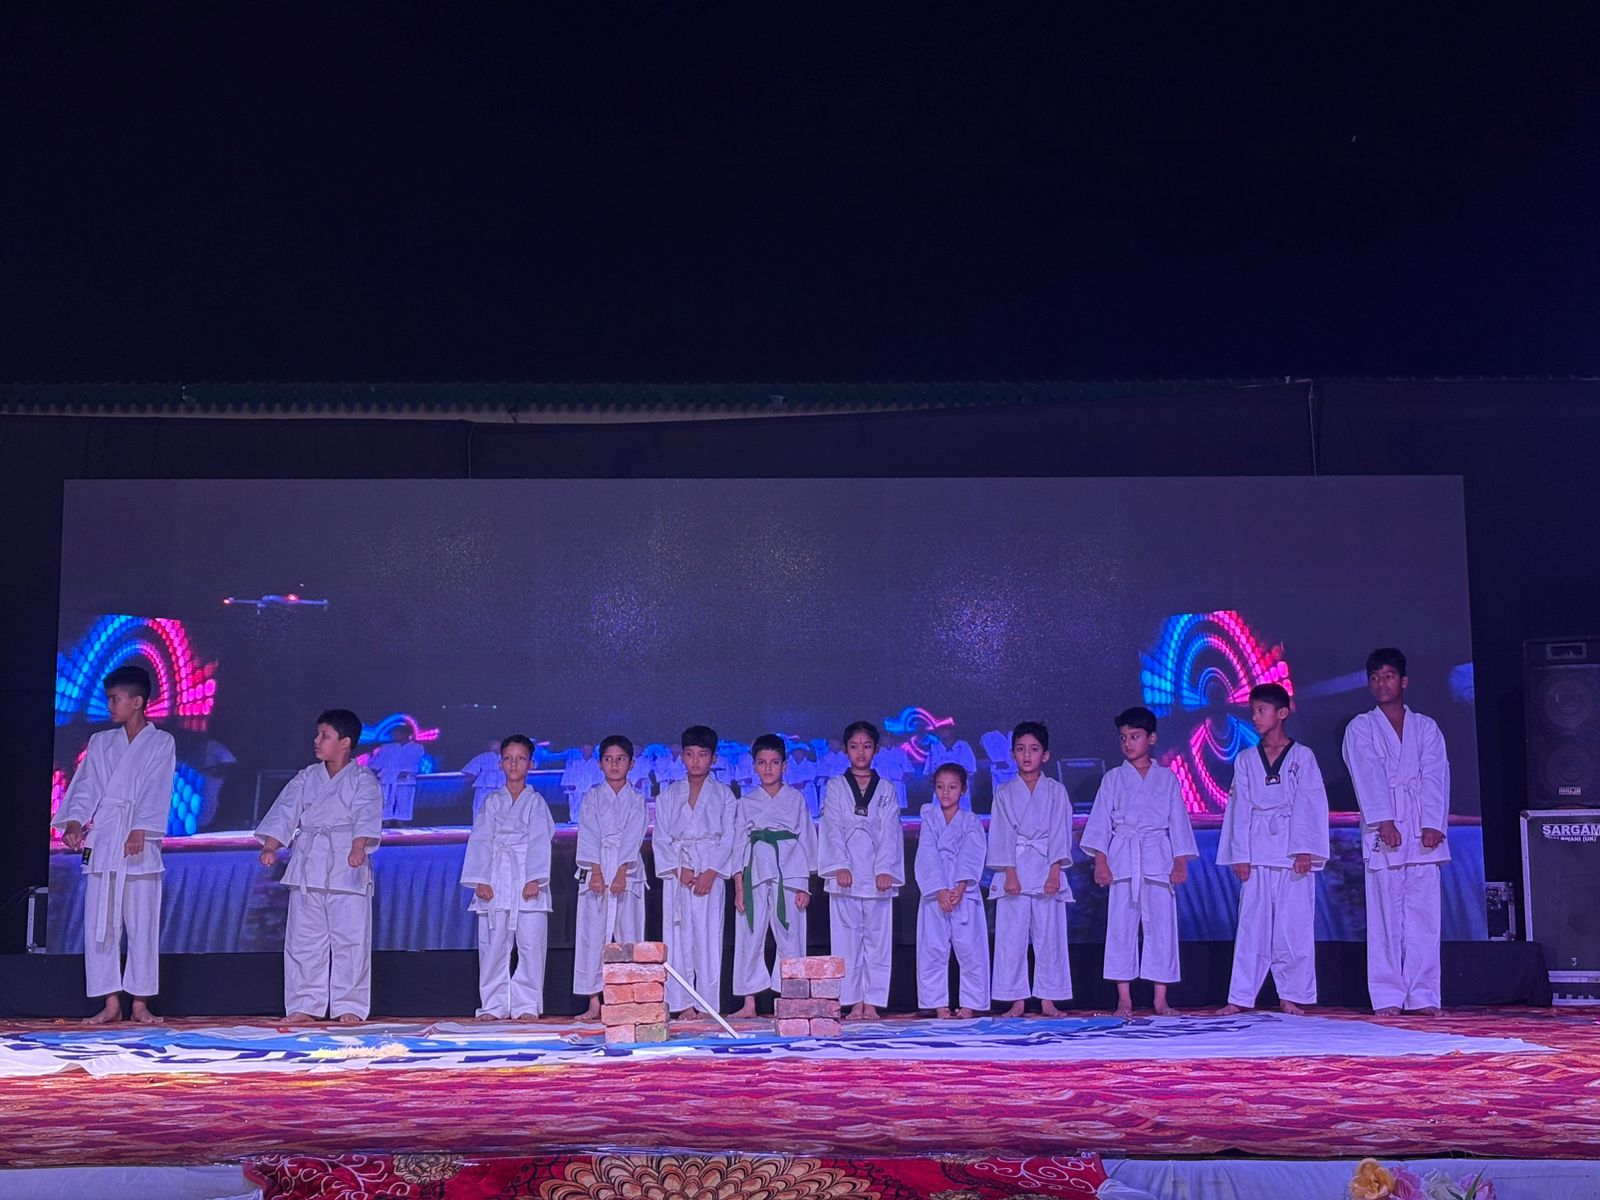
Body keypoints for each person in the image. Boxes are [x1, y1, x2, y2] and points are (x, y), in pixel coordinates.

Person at [54, 665, 176, 1024]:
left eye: (115, 699)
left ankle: (139, 1002)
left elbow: (157, 786)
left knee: (142, 925)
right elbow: (87, 785)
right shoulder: (101, 742)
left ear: (137, 702)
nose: (109, 706)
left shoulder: (161, 742)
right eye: (109, 699)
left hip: (139, 841)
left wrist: (141, 828)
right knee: (101, 925)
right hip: (106, 838)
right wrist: (75, 821)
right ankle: (110, 1002)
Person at [1342, 648, 1451, 1016]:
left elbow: (1436, 775)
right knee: (1385, 915)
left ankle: (1423, 995)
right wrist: (1384, 820)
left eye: (1387, 676)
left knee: (1424, 915)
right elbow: (1367, 775)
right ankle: (1387, 995)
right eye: (1374, 678)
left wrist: (1433, 822)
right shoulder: (1361, 727)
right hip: (1384, 823)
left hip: (1421, 822)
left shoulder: (1426, 727)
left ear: (1403, 681)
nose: (1380, 684)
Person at [256, 709, 383, 1024]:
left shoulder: (362, 779)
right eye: (318, 734)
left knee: (350, 939)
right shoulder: (307, 777)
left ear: (345, 742)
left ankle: (349, 1005)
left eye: (325, 735)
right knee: (304, 939)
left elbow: (366, 814)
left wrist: (358, 846)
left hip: (346, 864)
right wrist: (272, 844)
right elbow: (286, 810)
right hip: (309, 864)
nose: (317, 740)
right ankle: (304, 1004)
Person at [1218, 684, 1329, 1015]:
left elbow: (1311, 804)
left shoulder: (1302, 756)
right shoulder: (1245, 759)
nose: (1254, 717)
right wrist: (1241, 855)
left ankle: (1291, 995)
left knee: (1294, 926)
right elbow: (1239, 809)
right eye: (1252, 711)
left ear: (1282, 713)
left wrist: (1305, 849)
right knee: (1251, 927)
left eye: (1261, 710)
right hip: (1256, 850)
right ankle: (1240, 996)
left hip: (1292, 851)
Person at [1080, 706, 1197, 1017]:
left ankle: (1160, 998)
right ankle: (1124, 999)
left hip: (1158, 857)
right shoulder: (1113, 778)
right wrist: (1101, 861)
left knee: (1161, 927)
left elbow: (1178, 822)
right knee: (1121, 928)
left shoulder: (1167, 778)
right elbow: (1100, 823)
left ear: (1151, 739)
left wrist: (1180, 861)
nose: (1128, 743)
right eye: (1123, 738)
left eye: (1134, 737)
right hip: (1123, 857)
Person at [460, 735, 555, 1020]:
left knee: (531, 944)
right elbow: (480, 841)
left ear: (531, 764)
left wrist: (535, 878)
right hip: (495, 876)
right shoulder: (491, 801)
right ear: (500, 763)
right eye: (508, 758)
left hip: (527, 877)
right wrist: (480, 879)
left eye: (521, 758)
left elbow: (541, 841)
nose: (514, 764)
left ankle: (526, 1004)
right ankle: (493, 1004)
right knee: (493, 945)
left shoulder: (536, 802)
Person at [819, 720, 905, 1020]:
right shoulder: (835, 786)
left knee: (878, 941)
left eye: (866, 746)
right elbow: (831, 828)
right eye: (854, 746)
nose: (860, 752)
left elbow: (891, 832)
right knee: (847, 941)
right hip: (847, 874)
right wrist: (840, 865)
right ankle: (853, 1001)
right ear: (846, 750)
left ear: (876, 750)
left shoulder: (887, 788)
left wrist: (886, 869)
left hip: (878, 874)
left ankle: (873, 1002)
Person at [987, 721, 1074, 1016]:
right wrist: (1009, 873)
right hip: (1015, 869)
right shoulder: (1004, 791)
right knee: (1011, 938)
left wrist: (1055, 872)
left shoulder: (1056, 791)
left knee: (1050, 937)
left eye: (1034, 749)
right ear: (1013, 753)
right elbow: (1000, 835)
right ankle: (1016, 999)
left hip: (1046, 866)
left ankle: (1049, 998)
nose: (1027, 755)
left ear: (1045, 755)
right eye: (1021, 749)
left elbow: (1061, 833)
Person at [731, 734, 818, 1018]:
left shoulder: (796, 799)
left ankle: (792, 998)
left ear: (784, 766)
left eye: (774, 762)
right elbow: (738, 844)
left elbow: (808, 841)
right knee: (749, 936)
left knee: (791, 936)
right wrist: (739, 888)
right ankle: (749, 1003)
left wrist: (805, 885)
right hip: (753, 873)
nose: (768, 768)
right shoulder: (746, 802)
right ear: (754, 766)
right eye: (762, 763)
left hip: (789, 873)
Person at [655, 725, 737, 1018]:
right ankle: (682, 1003)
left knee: (708, 938)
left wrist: (712, 872)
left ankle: (707, 1005)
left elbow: (729, 836)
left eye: (702, 755)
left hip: (709, 869)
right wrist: (679, 870)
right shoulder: (669, 794)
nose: (695, 761)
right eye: (689, 754)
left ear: (713, 758)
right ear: (682, 757)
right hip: (680, 871)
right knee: (678, 937)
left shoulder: (724, 795)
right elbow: (661, 836)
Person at [573, 735, 648, 1020]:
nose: (614, 765)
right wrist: (595, 871)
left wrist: (621, 871)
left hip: (627, 870)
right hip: (597, 867)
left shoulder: (637, 799)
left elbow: (633, 836)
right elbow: (588, 834)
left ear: (631, 763)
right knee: (591, 936)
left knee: (629, 935)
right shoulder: (592, 797)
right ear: (599, 763)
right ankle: (594, 1001)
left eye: (620, 759)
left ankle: (629, 1000)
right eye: (608, 759)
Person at [913, 763, 989, 1018]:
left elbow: (972, 853)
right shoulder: (929, 818)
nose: (945, 792)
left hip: (963, 891)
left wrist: (960, 886)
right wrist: (939, 890)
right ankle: (938, 1004)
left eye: (952, 787)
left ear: (963, 790)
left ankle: (969, 1004)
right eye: (940, 787)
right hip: (935, 890)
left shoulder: (971, 821)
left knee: (970, 948)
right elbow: (926, 854)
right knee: (933, 947)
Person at [369, 722, 425, 823]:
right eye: (395, 733)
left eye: (398, 733)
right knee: (385, 800)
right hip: (387, 777)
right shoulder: (386, 747)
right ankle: (385, 820)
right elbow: (379, 761)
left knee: (404, 799)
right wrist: (373, 771)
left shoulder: (417, 747)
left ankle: (402, 820)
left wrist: (407, 771)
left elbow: (415, 761)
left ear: (406, 734)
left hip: (405, 779)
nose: (395, 735)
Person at [923, 727, 978, 810]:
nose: (942, 732)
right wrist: (929, 781)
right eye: (940, 730)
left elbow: (971, 768)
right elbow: (929, 769)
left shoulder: (963, 746)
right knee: (940, 810)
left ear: (951, 731)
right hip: (941, 783)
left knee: (962, 810)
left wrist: (972, 784)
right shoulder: (935, 747)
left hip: (959, 783)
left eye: (944, 730)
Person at [460, 739, 508, 817]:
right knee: (481, 810)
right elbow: (469, 771)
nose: (494, 745)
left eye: (497, 743)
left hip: (503, 788)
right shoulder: (483, 757)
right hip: (484, 789)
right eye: (493, 743)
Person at [560, 744, 604, 820]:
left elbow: (600, 779)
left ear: (592, 750)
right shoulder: (575, 763)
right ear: (581, 750)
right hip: (577, 791)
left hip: (592, 791)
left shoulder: (597, 763)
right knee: (575, 797)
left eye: (589, 749)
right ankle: (575, 819)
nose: (587, 751)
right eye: (585, 749)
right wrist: (571, 786)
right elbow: (569, 778)